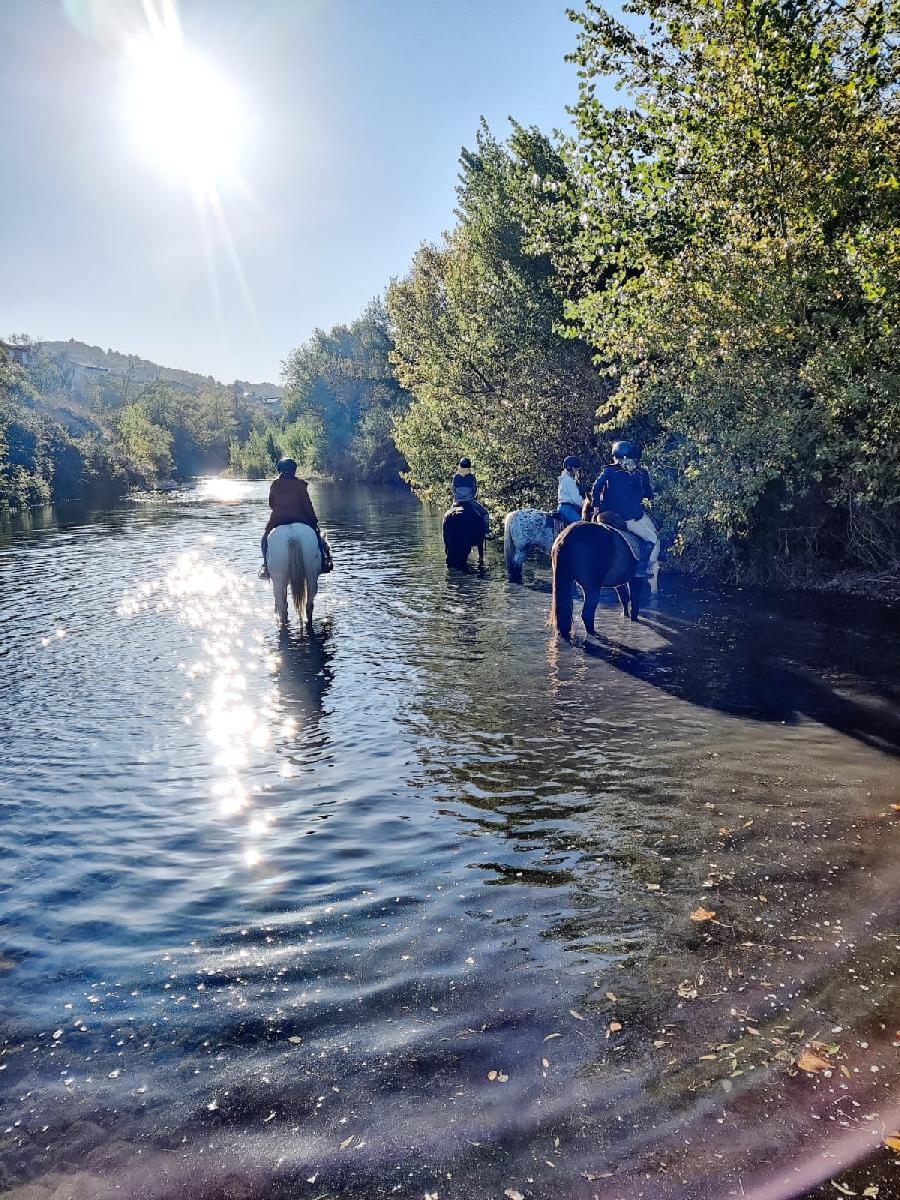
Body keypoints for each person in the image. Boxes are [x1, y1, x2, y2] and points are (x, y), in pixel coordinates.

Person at [590, 440, 660, 578]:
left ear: (616, 456)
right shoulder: (637, 474)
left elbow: (596, 488)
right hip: (626, 517)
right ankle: (641, 569)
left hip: (606, 514)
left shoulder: (609, 470)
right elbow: (645, 494)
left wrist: (596, 505)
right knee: (652, 538)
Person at [258, 458, 332, 579]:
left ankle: (266, 566)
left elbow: (271, 504)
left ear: (280, 470)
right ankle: (323, 561)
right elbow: (307, 505)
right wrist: (314, 522)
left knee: (265, 539)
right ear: (294, 470)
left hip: (279, 519)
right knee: (317, 536)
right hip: (300, 518)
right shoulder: (300, 485)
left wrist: (280, 510)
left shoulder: (275, 484)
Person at [451, 457, 491, 537]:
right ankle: (487, 532)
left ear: (460, 465)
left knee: (449, 515)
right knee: (485, 513)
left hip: (457, 502)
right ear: (469, 466)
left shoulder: (455, 476)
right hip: (469, 502)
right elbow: (474, 489)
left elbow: (453, 490)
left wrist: (458, 496)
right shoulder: (471, 476)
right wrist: (471, 496)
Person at [557, 455, 584, 524]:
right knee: (582, 525)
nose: (576, 470)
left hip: (563, 507)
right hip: (568, 509)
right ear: (569, 468)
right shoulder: (569, 480)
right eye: (575, 468)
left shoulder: (563, 478)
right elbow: (576, 498)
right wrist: (584, 504)